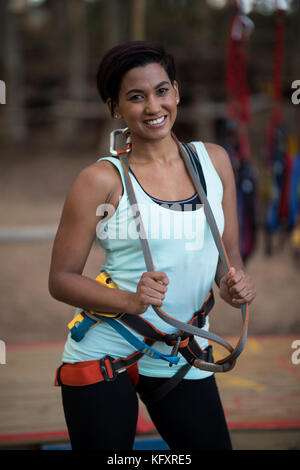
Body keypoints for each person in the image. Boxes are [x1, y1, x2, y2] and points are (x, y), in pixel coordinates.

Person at [48, 41, 256, 451]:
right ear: (115, 107)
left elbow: (226, 258)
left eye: (161, 91)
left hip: (184, 351)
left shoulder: (214, 162)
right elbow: (60, 280)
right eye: (136, 97)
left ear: (176, 92)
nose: (153, 106)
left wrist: (234, 285)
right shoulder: (100, 180)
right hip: (106, 349)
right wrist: (130, 299)